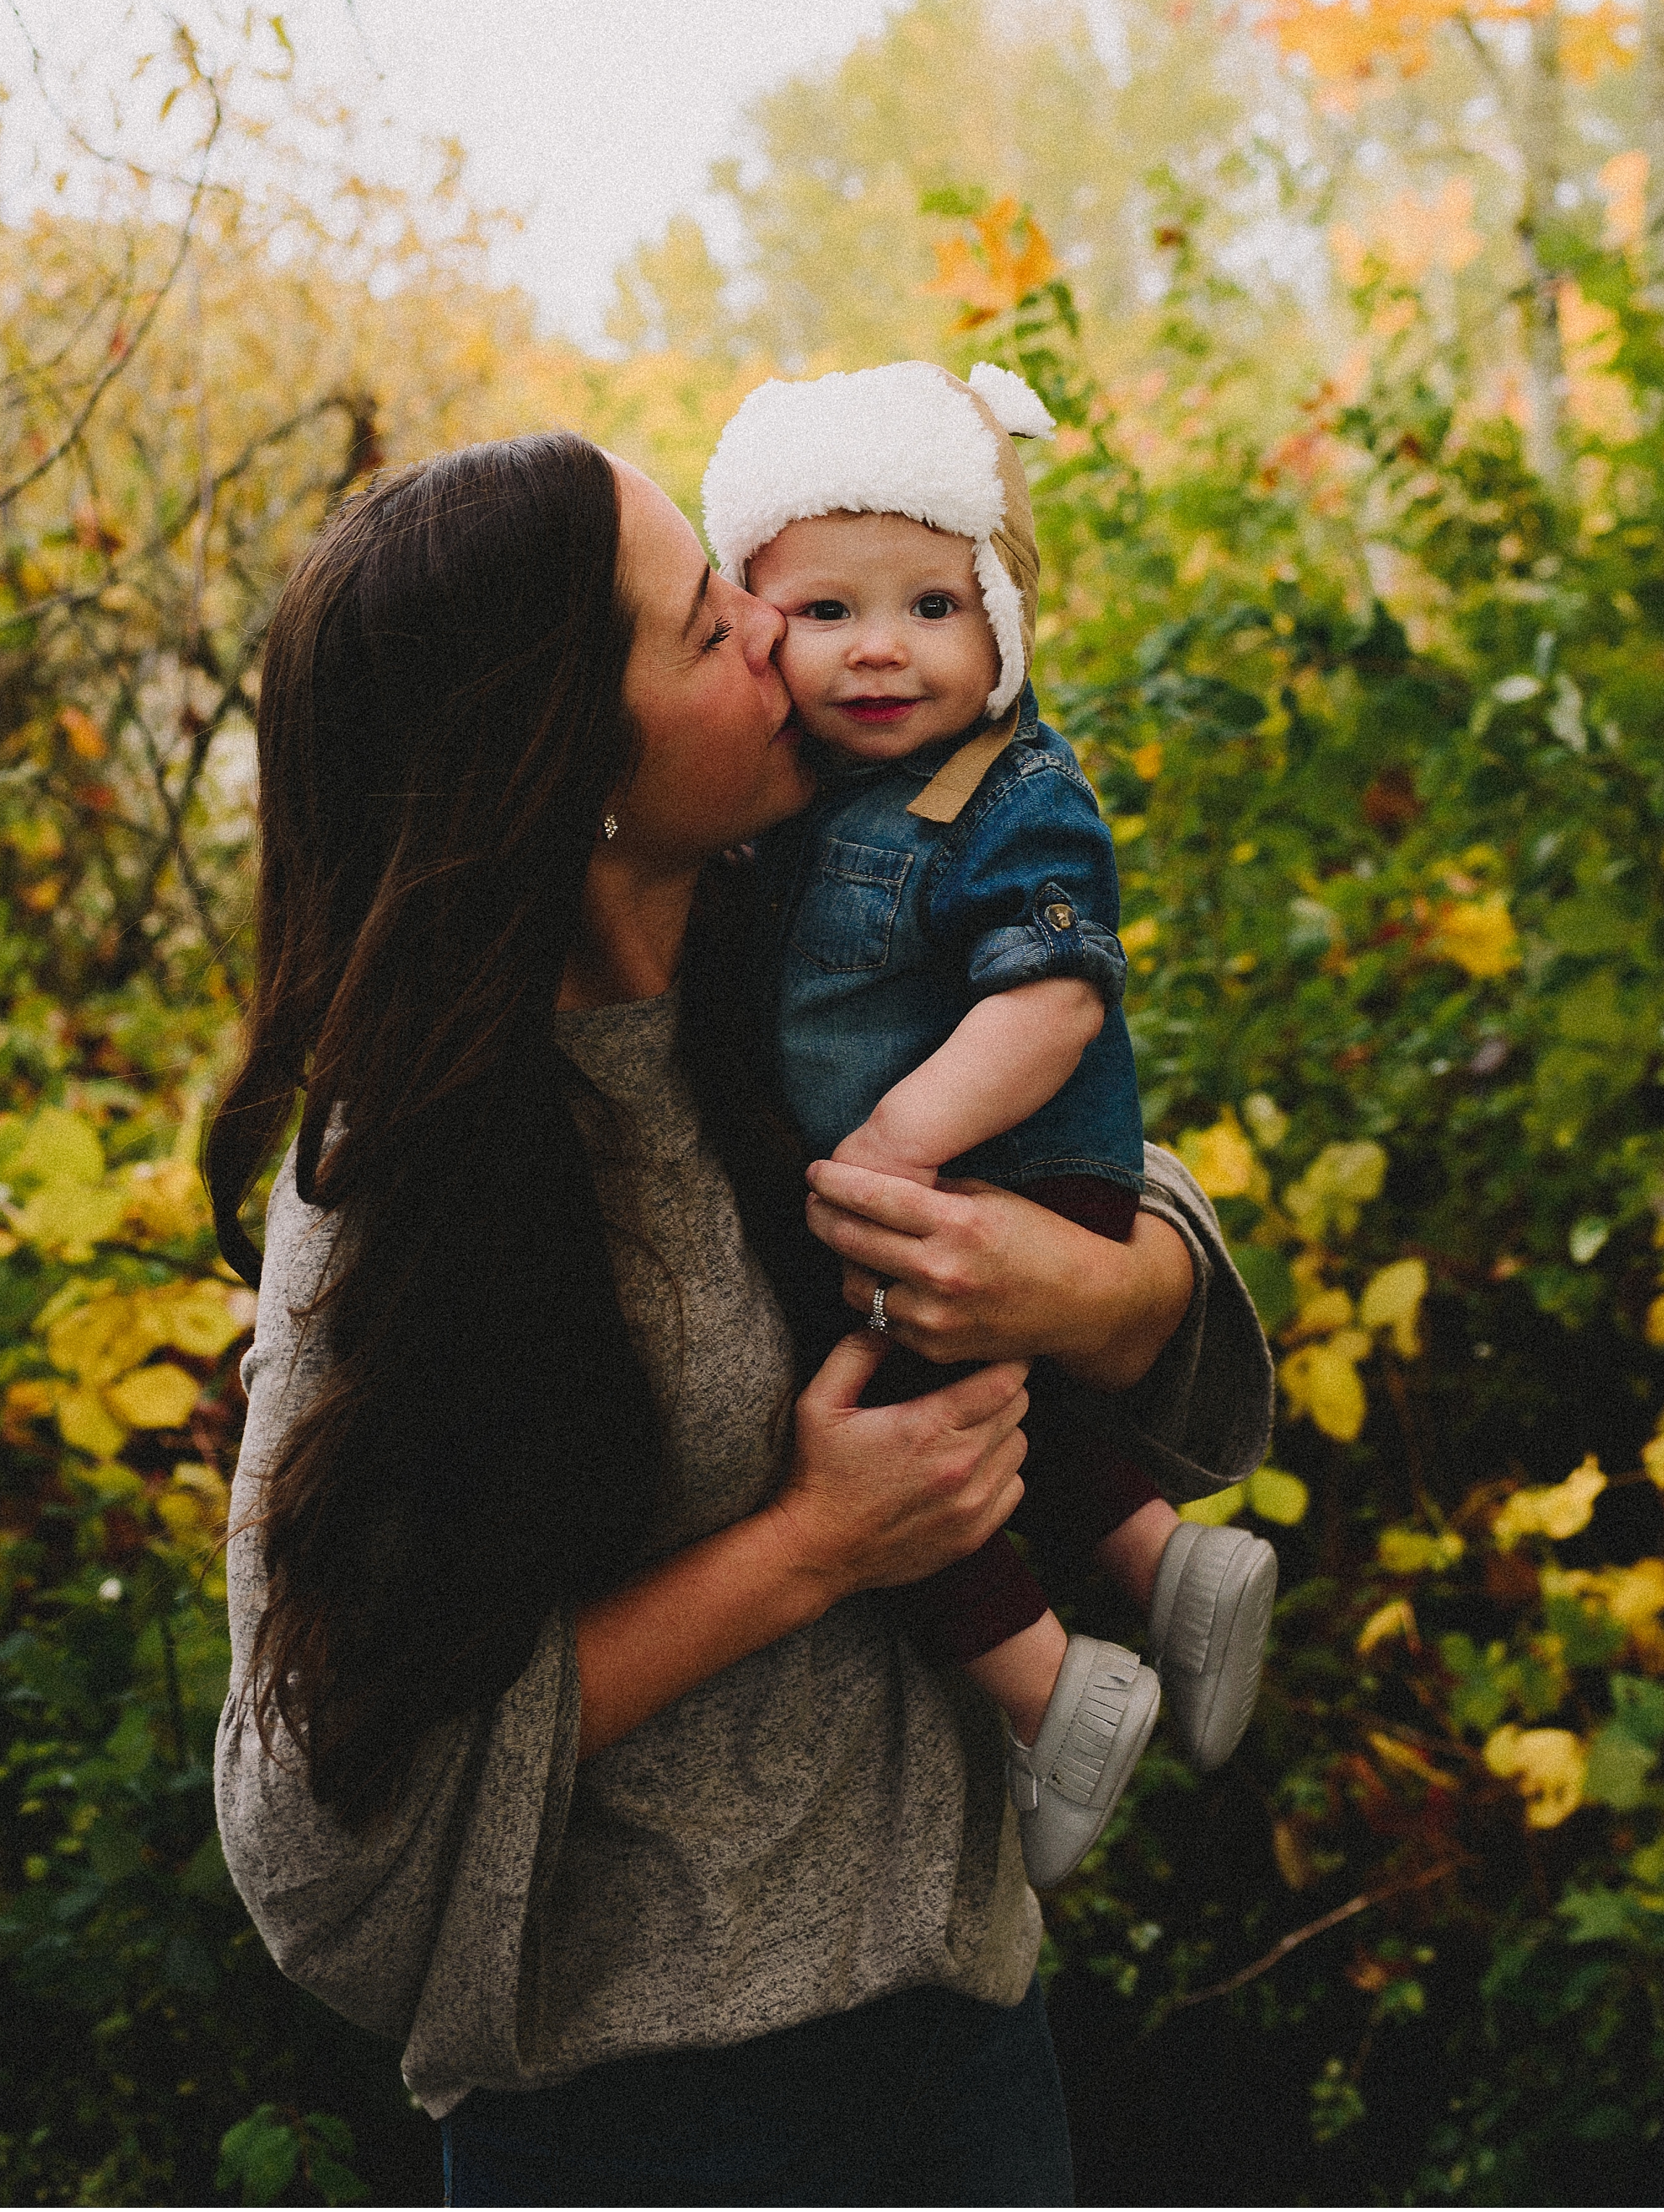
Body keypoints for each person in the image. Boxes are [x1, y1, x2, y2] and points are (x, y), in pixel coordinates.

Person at [210, 432, 1274, 2209]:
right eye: (714, 626)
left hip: (972, 2059)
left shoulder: (806, 963)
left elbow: (1114, 1174)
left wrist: (1098, 1283)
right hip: (641, 2129)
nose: (783, 645)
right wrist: (813, 1547)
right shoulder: (406, 1187)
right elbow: (316, 1807)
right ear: (567, 765)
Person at [700, 359, 1278, 1889]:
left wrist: (898, 1137)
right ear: (755, 621)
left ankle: (1046, 1689)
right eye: (825, 614)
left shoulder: (1010, 788)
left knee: (892, 1446)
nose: (880, 650)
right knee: (1010, 1412)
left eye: (931, 608)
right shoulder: (801, 800)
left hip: (1013, 1183)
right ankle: (1172, 1561)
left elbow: (1055, 999)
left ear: (1003, 619)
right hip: (954, 1199)